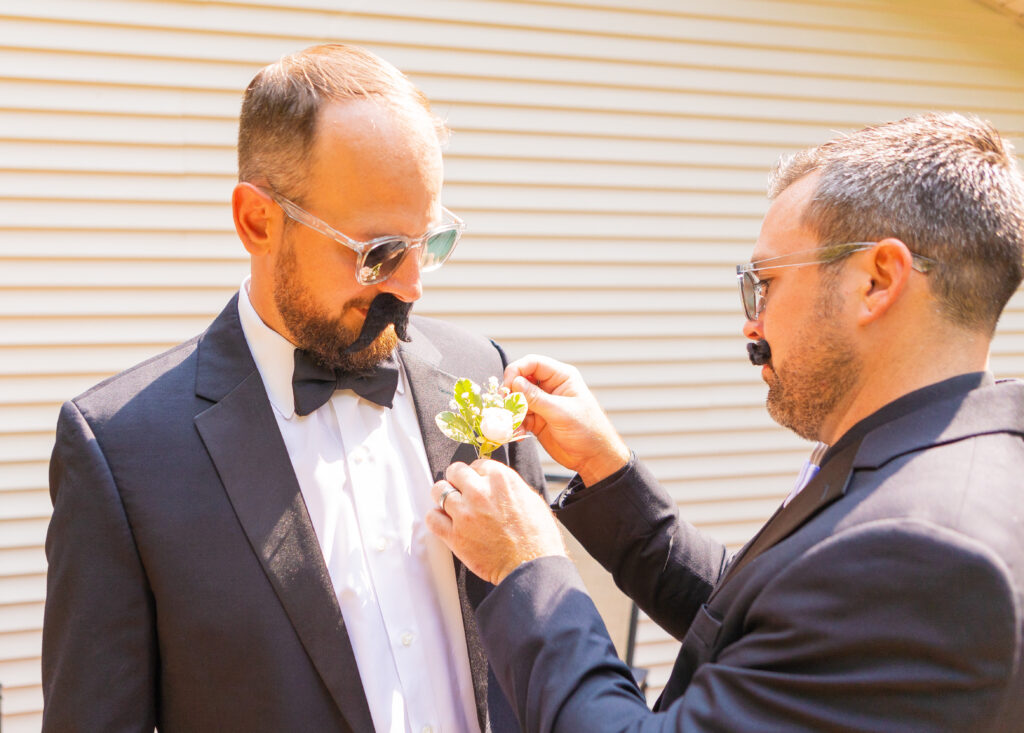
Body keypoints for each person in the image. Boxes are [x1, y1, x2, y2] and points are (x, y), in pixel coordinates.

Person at [426, 112, 1024, 731]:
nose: (752, 324)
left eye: (764, 282)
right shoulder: (946, 457)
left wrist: (528, 569)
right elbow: (755, 621)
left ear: (877, 281)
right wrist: (607, 470)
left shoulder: (922, 548)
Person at [43, 44, 543, 733]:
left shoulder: (479, 373)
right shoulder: (121, 454)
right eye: (379, 253)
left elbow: (546, 653)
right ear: (257, 220)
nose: (414, 287)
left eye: (429, 241)